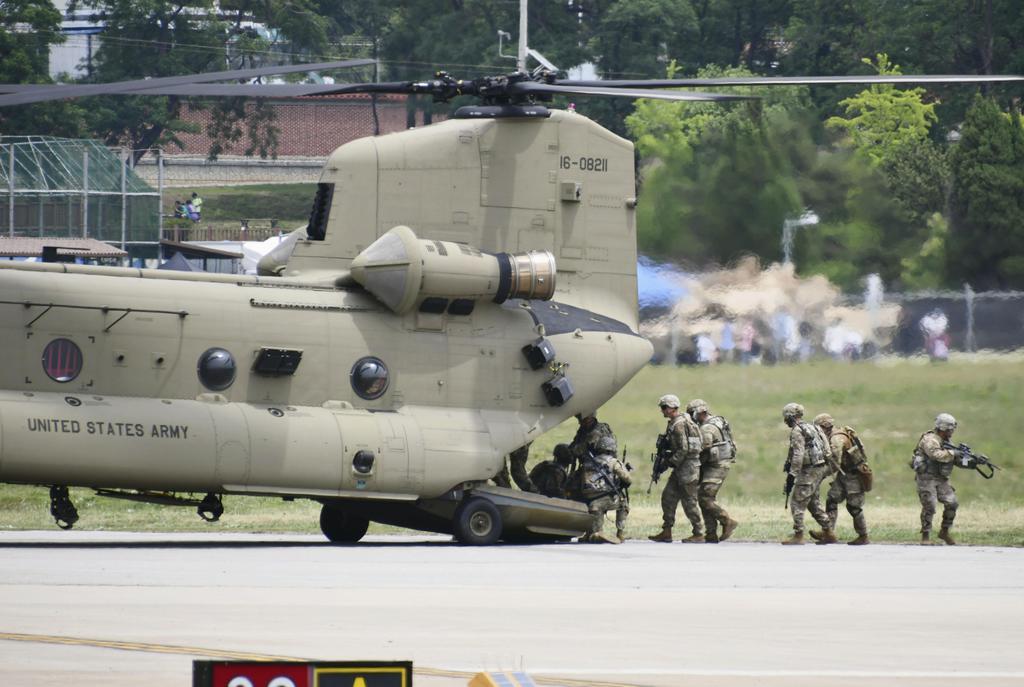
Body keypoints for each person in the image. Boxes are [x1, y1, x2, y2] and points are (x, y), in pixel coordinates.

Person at [648, 394, 705, 543]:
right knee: (668, 497)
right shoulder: (676, 422)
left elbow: (683, 449)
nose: (662, 411)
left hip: (687, 468)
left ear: (672, 408)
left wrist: (670, 462)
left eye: (664, 407)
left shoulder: (679, 424)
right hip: (681, 467)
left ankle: (699, 533)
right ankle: (667, 531)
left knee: (689, 501)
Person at [812, 413, 871, 545]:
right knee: (832, 499)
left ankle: (863, 535)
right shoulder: (841, 433)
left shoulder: (836, 440)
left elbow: (834, 464)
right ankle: (828, 532)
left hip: (854, 476)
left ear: (823, 427)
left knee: (854, 507)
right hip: (844, 475)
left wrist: (819, 475)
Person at [781, 402, 834, 545]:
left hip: (809, 471)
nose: (785, 420)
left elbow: (798, 455)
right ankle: (828, 531)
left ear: (790, 417)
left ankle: (798, 534)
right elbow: (827, 447)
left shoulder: (798, 431)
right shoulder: (814, 427)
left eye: (785, 417)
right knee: (812, 503)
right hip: (819, 468)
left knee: (797, 502)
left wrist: (792, 475)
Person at [686, 399, 739, 543]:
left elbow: (704, 447)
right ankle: (711, 533)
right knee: (703, 496)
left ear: (699, 412)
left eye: (692, 414)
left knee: (704, 497)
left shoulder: (707, 428)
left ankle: (726, 520)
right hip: (716, 463)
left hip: (716, 466)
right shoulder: (718, 421)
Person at [566, 435, 631, 544]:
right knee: (624, 504)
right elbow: (628, 479)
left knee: (596, 524)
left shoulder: (587, 462)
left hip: (588, 501)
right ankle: (620, 533)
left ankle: (591, 534)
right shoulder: (613, 462)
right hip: (607, 499)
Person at [911, 413, 961, 545]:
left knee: (952, 503)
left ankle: (944, 531)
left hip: (941, 478)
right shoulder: (930, 440)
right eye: (949, 429)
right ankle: (925, 536)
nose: (951, 432)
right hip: (926, 477)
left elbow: (954, 460)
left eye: (952, 429)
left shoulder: (947, 443)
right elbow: (936, 455)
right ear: (942, 428)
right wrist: (953, 453)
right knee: (930, 505)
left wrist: (969, 460)